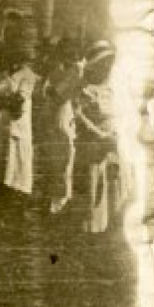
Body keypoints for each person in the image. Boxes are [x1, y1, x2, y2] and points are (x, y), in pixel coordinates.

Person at [73, 40, 121, 234]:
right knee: (93, 182)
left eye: (108, 64)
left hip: (111, 142)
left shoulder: (111, 90)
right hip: (93, 142)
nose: (106, 68)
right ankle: (89, 228)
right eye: (102, 64)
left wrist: (114, 135)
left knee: (112, 182)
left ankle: (109, 228)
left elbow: (119, 115)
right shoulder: (85, 89)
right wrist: (99, 134)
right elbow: (79, 115)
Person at [0, 43, 38, 208]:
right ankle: (1, 193)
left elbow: (18, 102)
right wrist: (5, 100)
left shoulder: (28, 76)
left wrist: (3, 100)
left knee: (16, 158)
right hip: (0, 122)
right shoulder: (1, 76)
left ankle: (16, 196)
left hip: (17, 123)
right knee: (0, 157)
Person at [33, 42, 81, 214]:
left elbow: (59, 94)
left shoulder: (75, 71)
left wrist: (51, 89)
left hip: (63, 113)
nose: (69, 57)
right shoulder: (56, 70)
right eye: (65, 53)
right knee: (52, 157)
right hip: (51, 114)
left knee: (64, 155)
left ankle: (61, 200)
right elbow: (43, 91)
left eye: (71, 54)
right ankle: (51, 198)